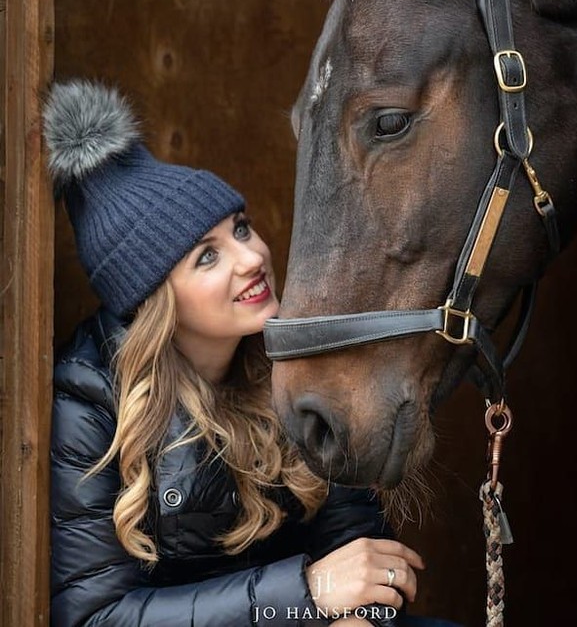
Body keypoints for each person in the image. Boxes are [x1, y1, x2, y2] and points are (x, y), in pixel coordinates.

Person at [45, 80, 458, 627]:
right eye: (207, 257)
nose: (251, 257)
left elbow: (366, 556)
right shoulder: (89, 399)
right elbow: (95, 617)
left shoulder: (297, 362)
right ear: (155, 299)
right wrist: (307, 591)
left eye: (240, 228)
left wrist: (364, 618)